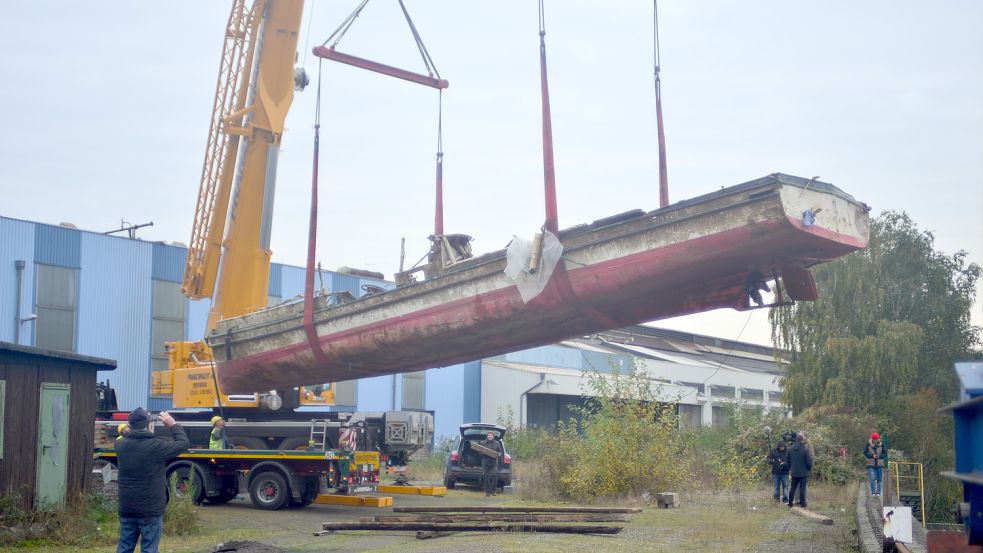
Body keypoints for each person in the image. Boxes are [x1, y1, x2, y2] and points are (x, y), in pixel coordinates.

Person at [115, 408, 189, 553]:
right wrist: (173, 424)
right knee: (149, 549)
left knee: (124, 547)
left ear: (130, 425)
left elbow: (128, 437)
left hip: (127, 507)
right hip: (150, 509)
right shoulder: (156, 446)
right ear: (148, 425)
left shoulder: (120, 445)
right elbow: (183, 443)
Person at [787, 433, 813, 508]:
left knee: (793, 488)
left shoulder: (790, 449)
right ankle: (803, 504)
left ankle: (790, 504)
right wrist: (808, 469)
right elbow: (809, 462)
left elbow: (788, 461)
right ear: (802, 440)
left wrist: (790, 469)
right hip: (803, 473)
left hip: (794, 472)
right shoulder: (805, 450)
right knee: (802, 489)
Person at [480, 432, 503, 497]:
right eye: (488, 435)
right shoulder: (483, 443)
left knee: (494, 476)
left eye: (491, 435)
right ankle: (487, 492)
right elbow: (480, 452)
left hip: (494, 462)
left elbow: (500, 451)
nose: (489, 436)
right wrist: (484, 452)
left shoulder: (497, 443)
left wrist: (498, 454)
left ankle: (493, 491)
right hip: (485, 461)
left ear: (493, 436)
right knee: (486, 478)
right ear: (487, 436)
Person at [864, 432, 886, 496]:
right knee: (872, 478)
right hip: (871, 464)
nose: (875, 440)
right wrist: (872, 455)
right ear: (872, 438)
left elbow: (885, 453)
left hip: (879, 464)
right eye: (874, 439)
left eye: (876, 439)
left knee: (879, 479)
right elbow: (865, 452)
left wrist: (879, 456)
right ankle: (873, 492)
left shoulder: (882, 444)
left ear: (878, 439)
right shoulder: (868, 444)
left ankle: (878, 492)